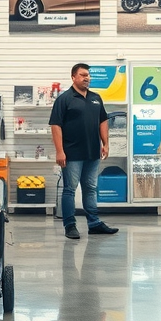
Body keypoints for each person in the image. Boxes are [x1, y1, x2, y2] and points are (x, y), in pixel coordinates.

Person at [50, 63, 118, 240]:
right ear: (73, 77)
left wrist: (106, 143)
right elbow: (55, 126)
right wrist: (59, 151)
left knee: (90, 188)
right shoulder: (64, 99)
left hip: (92, 153)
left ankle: (94, 223)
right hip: (72, 153)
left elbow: (103, 121)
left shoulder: (96, 98)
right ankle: (70, 225)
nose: (87, 78)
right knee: (70, 189)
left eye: (88, 75)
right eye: (82, 75)